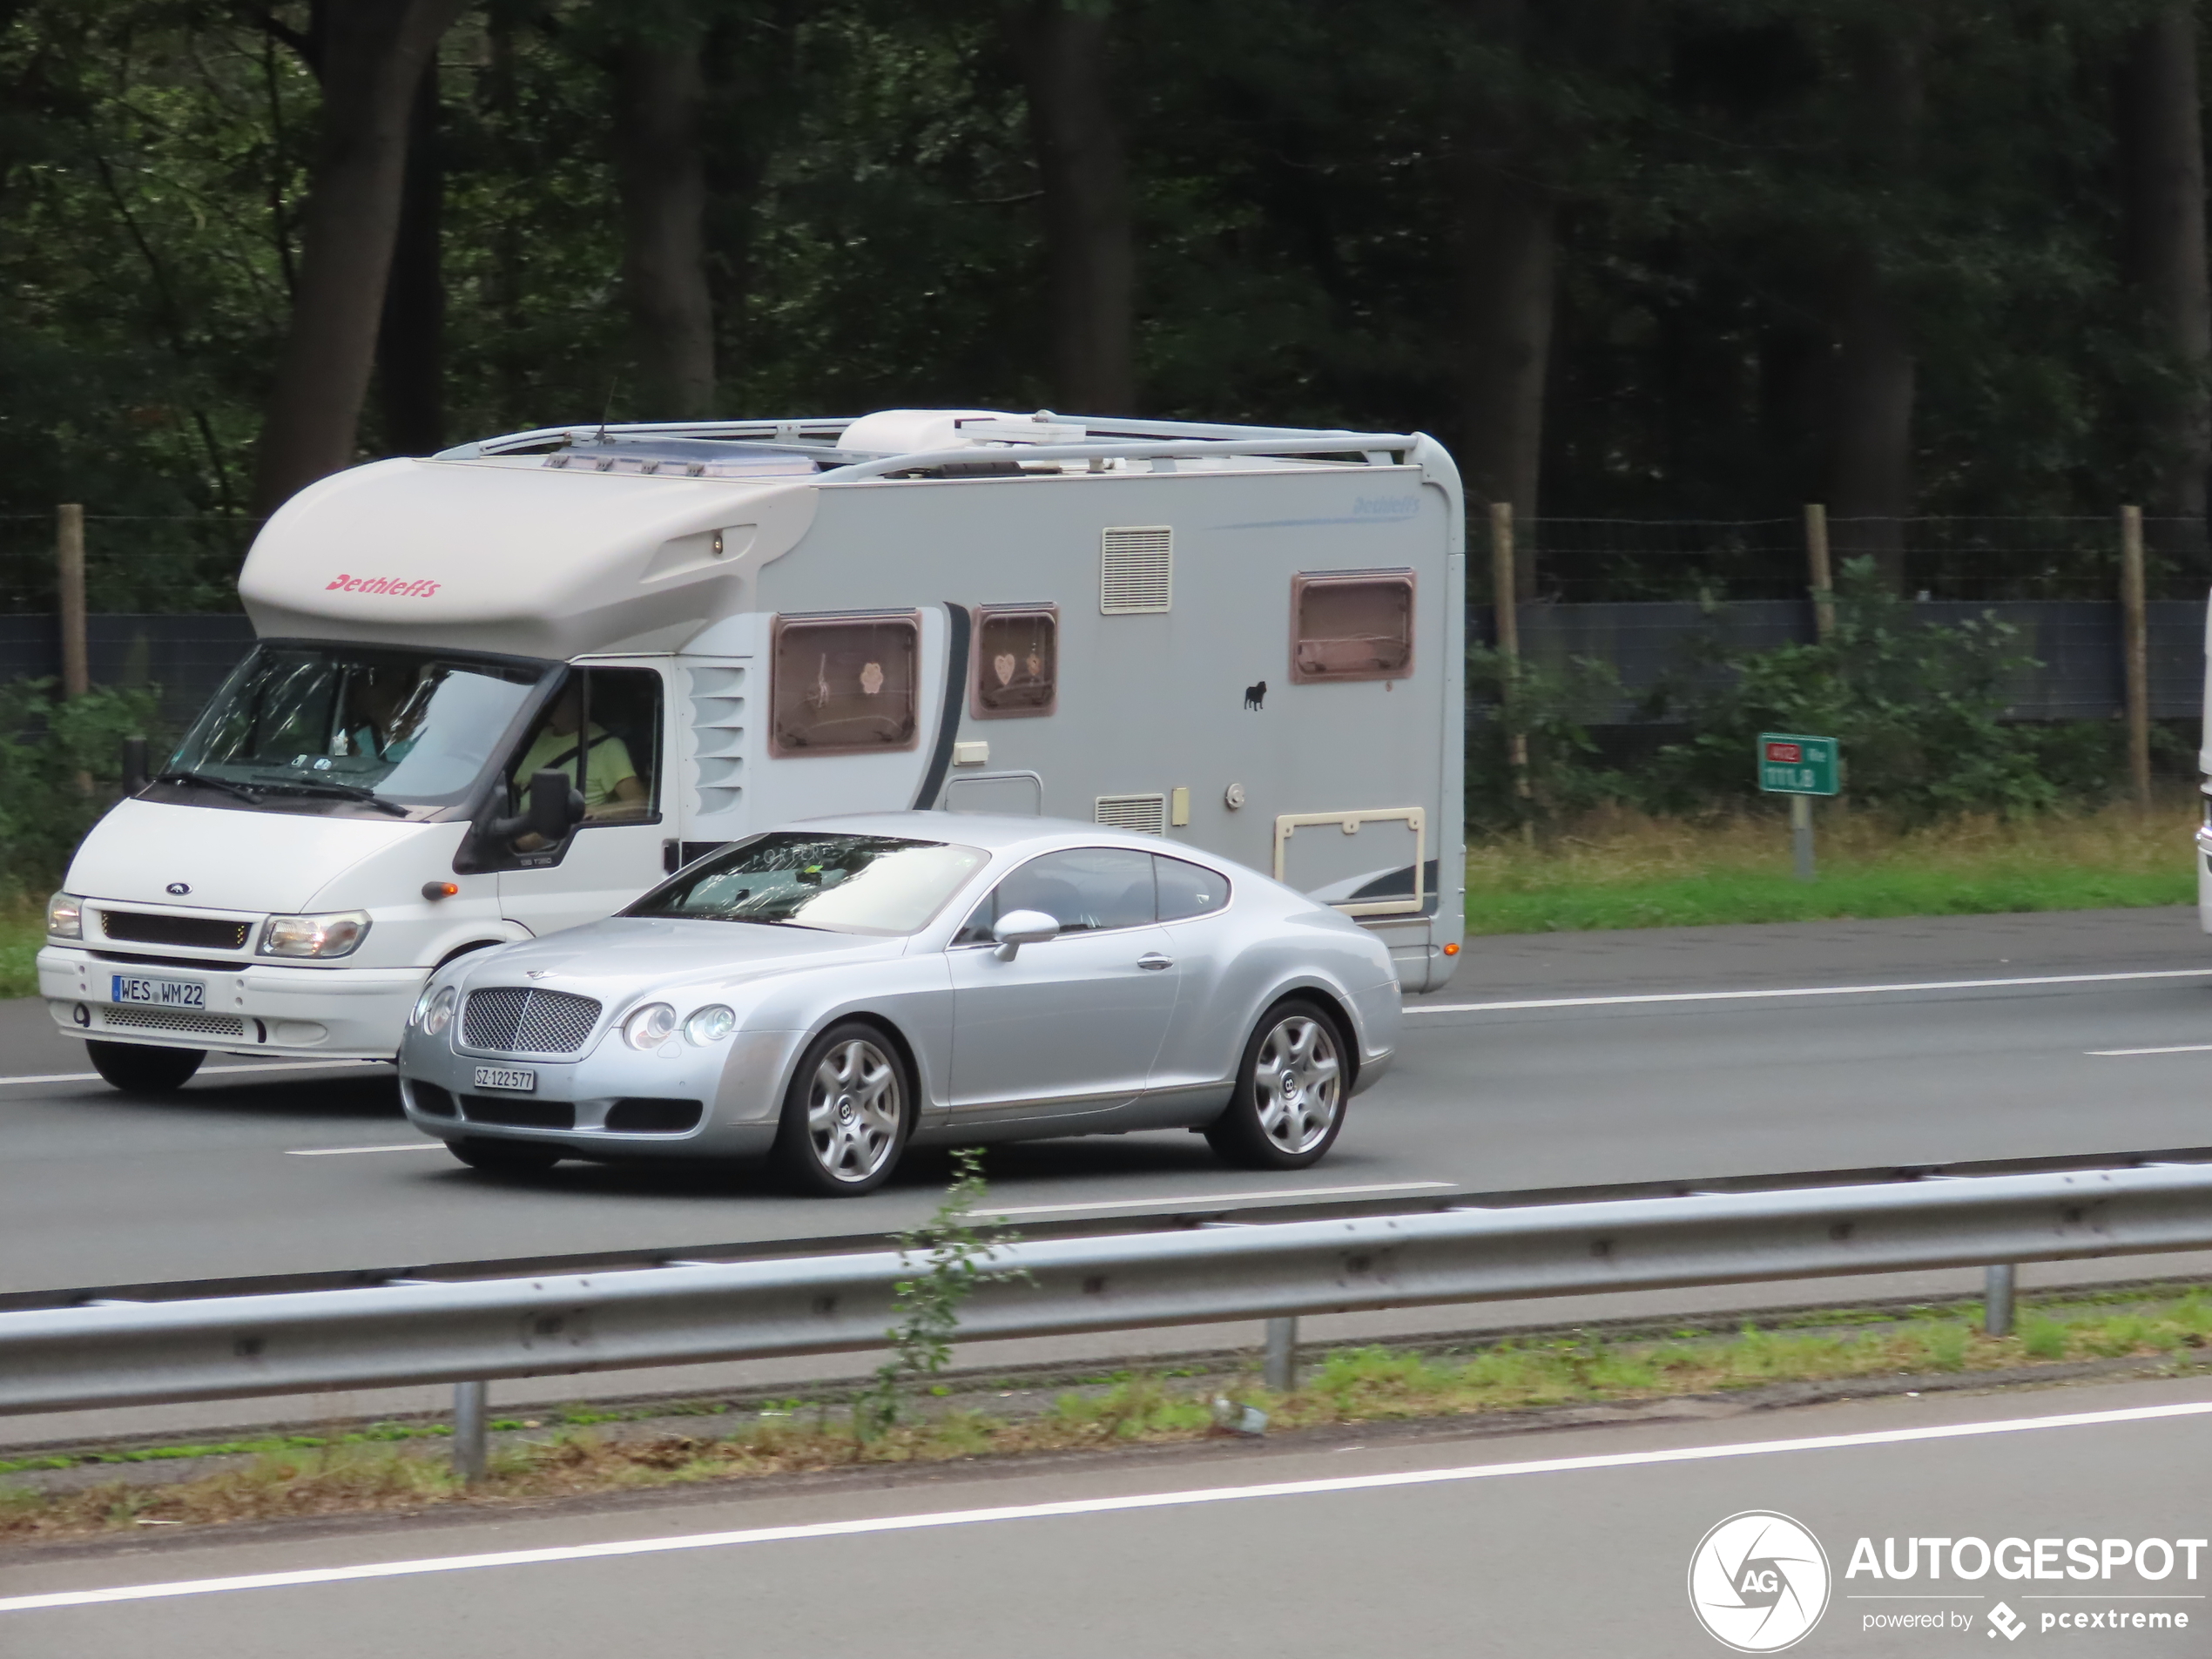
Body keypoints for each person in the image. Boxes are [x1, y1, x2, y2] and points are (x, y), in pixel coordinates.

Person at [511, 680, 647, 819]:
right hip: (519, 826)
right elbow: (508, 785)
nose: (554, 699)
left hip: (564, 836)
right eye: (552, 693)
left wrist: (587, 814)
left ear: (584, 699)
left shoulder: (608, 747)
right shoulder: (538, 737)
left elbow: (641, 806)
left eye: (563, 694)